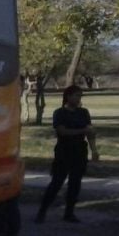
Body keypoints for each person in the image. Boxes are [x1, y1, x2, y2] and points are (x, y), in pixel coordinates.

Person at [35, 85, 100, 224]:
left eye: (80, 96)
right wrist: (82, 131)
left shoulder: (83, 112)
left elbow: (90, 133)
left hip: (80, 151)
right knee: (57, 181)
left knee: (75, 183)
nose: (78, 99)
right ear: (68, 96)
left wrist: (94, 150)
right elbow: (62, 131)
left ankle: (69, 212)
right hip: (64, 151)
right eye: (76, 96)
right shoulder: (59, 113)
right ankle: (42, 210)